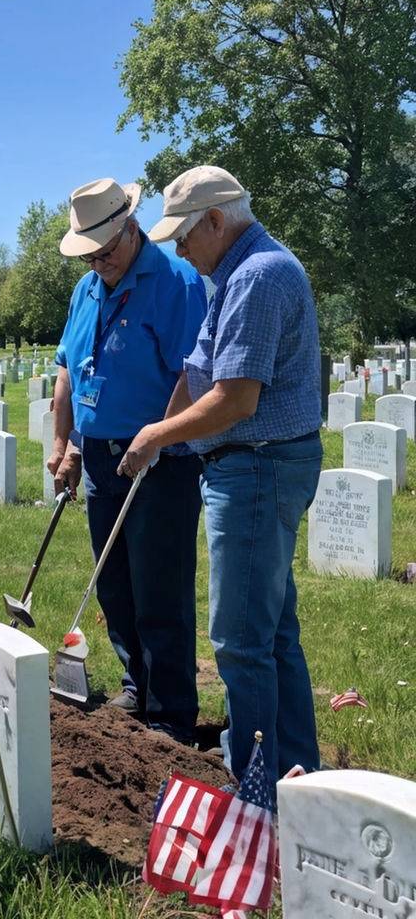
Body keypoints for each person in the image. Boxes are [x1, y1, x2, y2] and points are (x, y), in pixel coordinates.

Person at [118, 165, 323, 790]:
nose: (180, 249)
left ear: (216, 220)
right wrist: (167, 423)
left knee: (237, 641)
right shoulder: (228, 275)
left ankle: (253, 788)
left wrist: (157, 435)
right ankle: (295, 773)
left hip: (257, 464)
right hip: (245, 464)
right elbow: (198, 369)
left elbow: (236, 399)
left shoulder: (260, 275)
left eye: (185, 235)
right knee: (272, 631)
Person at [48, 177, 208, 744]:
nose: (99, 262)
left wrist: (158, 438)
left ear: (131, 228)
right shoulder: (87, 289)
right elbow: (69, 366)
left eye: (106, 250)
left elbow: (194, 374)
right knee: (114, 582)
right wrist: (64, 442)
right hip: (98, 455)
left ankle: (170, 713)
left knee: (159, 585)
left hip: (161, 459)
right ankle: (135, 683)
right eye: (88, 254)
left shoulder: (176, 282)